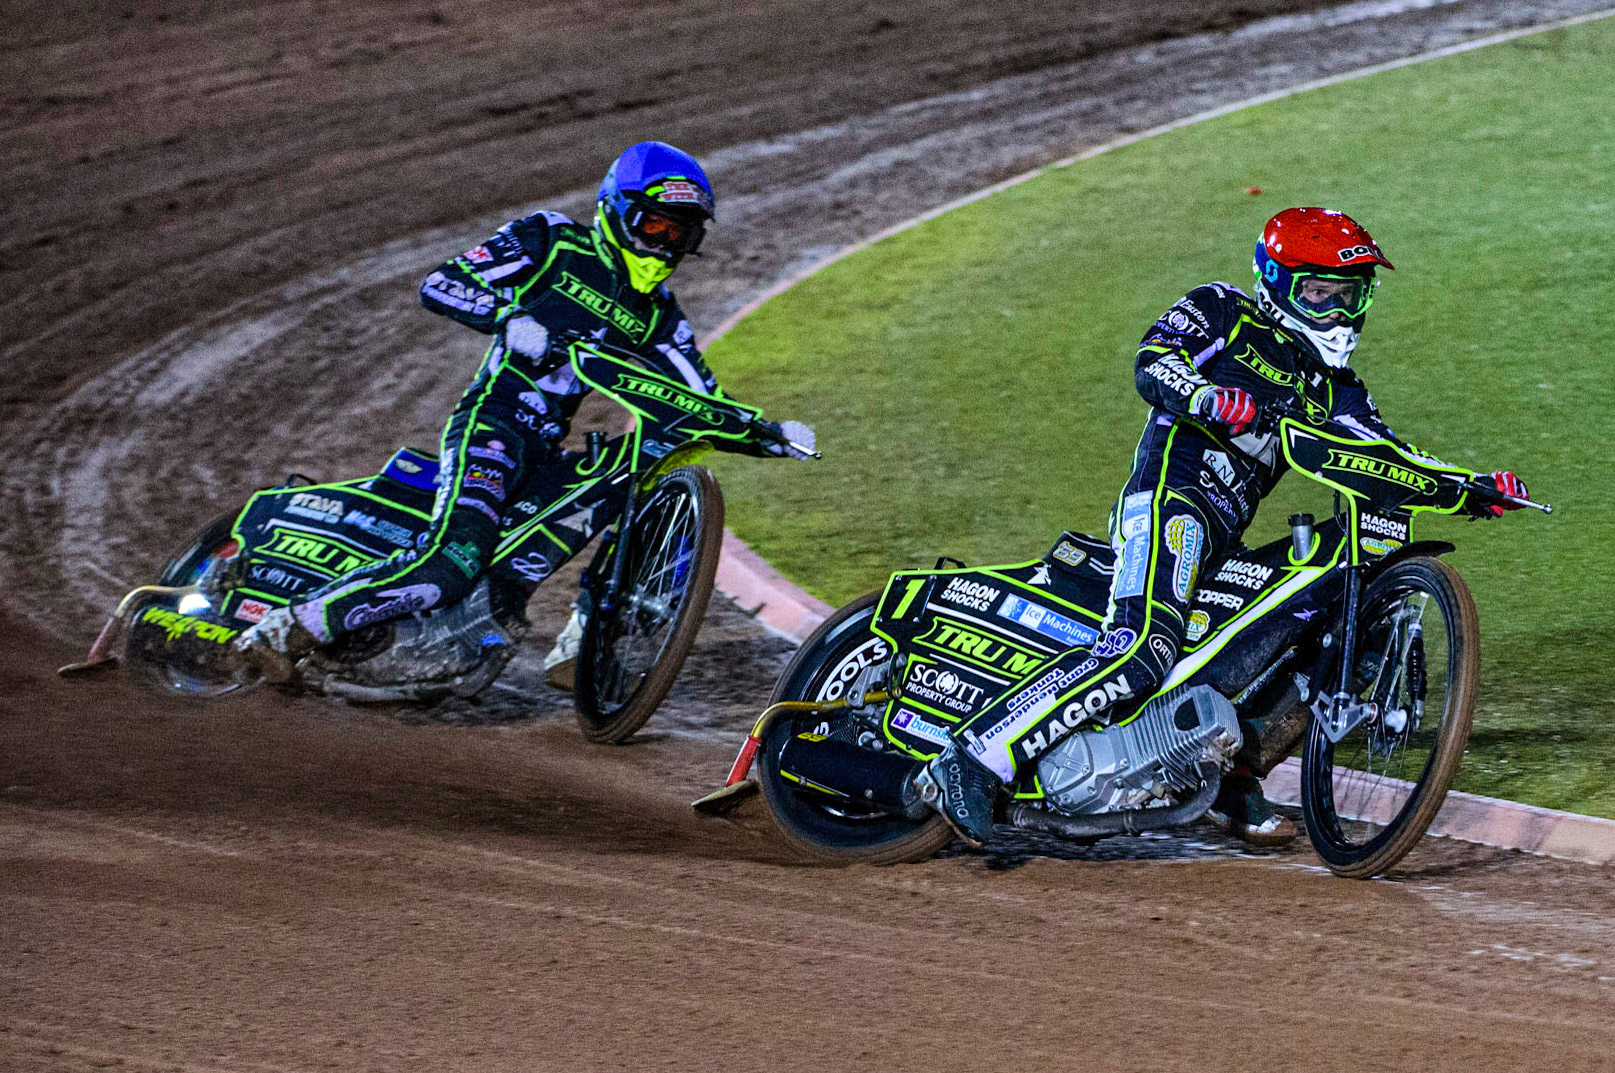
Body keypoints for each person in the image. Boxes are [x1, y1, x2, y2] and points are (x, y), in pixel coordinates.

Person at [919, 207, 1531, 848]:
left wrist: (1473, 488)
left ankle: (1223, 775)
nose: (1335, 313)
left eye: (1348, 296)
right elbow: (1152, 361)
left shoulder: (1338, 389)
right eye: (1317, 293)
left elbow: (1386, 455)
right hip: (1167, 504)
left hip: (1222, 539)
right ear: (1276, 281)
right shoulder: (1221, 310)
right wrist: (1208, 398)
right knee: (1142, 649)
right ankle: (973, 757)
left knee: (1295, 629)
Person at [233, 141, 814, 683]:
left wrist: (768, 432)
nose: (665, 245)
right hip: (492, 426)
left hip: (544, 450)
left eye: (681, 235)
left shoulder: (660, 314)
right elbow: (443, 282)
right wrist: (509, 319)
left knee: (643, 461)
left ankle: (588, 632)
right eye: (656, 226)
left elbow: (699, 399)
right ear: (616, 210)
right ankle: (290, 626)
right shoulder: (551, 240)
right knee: (450, 565)